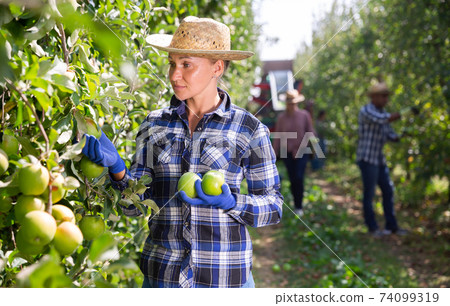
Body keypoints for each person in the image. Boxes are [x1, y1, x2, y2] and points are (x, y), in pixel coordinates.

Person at [81, 16, 283, 288]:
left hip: (223, 279)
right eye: (172, 64)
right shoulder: (154, 124)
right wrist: (118, 170)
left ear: (217, 68)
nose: (175, 75)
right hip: (163, 278)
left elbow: (273, 206)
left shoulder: (248, 128)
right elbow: (134, 207)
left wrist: (232, 202)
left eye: (187, 64)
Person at [356, 81, 407, 237]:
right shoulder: (367, 111)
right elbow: (383, 119)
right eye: (383, 96)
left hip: (379, 160)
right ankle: (372, 228)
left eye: (387, 96)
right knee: (369, 194)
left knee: (388, 190)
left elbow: (389, 133)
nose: (386, 100)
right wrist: (404, 113)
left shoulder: (382, 113)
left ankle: (392, 226)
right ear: (374, 97)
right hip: (367, 159)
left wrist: (400, 136)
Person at [273, 90, 315, 217]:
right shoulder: (281, 118)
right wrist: (273, 155)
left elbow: (310, 131)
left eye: (293, 103)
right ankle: (296, 202)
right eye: (289, 103)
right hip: (287, 153)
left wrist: (314, 147)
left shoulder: (304, 115)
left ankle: (299, 205)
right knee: (292, 179)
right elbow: (278, 137)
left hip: (302, 151)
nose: (291, 105)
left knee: (299, 177)